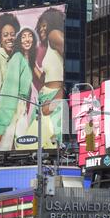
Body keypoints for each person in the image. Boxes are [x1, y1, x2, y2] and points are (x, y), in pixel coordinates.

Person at [0, 28, 37, 151]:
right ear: (19, 40)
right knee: (3, 143)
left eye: (30, 36)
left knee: (21, 146)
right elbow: (9, 89)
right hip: (12, 106)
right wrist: (3, 121)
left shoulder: (27, 60)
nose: (27, 39)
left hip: (21, 107)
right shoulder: (17, 57)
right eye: (23, 36)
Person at [31, 8, 65, 147]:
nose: (41, 29)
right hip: (43, 101)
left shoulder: (54, 34)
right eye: (40, 26)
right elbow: (45, 79)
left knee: (52, 143)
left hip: (53, 101)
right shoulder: (49, 47)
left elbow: (70, 75)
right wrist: (31, 63)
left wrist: (54, 101)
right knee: (37, 144)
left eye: (44, 25)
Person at [0, 12, 20, 95]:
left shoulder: (18, 57)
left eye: (12, 35)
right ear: (0, 39)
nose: (9, 38)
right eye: (5, 35)